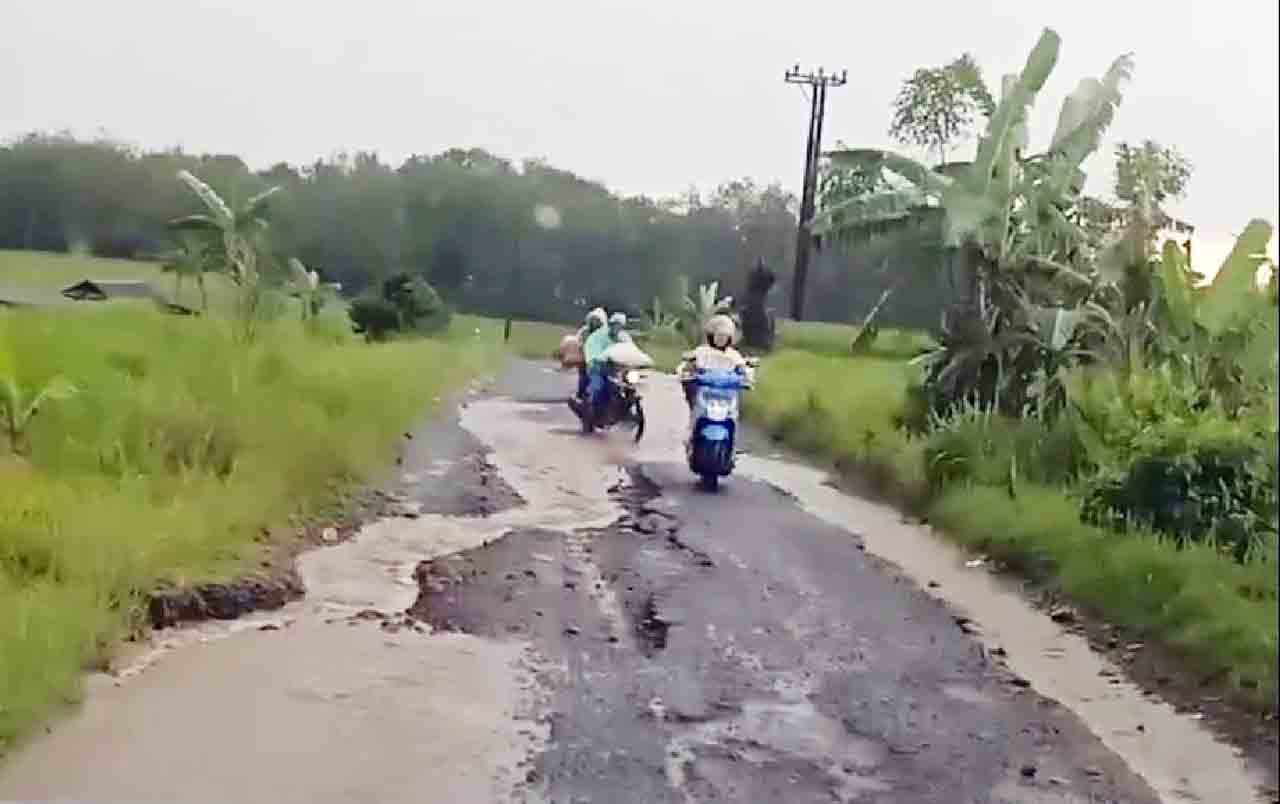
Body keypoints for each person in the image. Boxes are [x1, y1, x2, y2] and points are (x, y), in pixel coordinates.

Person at [678, 314, 751, 409]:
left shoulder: (734, 354)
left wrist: (746, 377)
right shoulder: (702, 351)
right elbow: (687, 365)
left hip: (726, 393)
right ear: (711, 336)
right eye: (718, 335)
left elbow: (743, 367)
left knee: (735, 405)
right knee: (692, 393)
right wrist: (688, 371)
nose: (721, 339)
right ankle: (694, 412)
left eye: (724, 336)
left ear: (729, 338)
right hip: (704, 390)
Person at [582, 312, 628, 412]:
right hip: (598, 367)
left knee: (627, 386)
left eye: (620, 326)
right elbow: (594, 349)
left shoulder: (623, 338)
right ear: (611, 325)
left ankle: (624, 409)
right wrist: (597, 359)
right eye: (615, 325)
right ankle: (589, 409)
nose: (617, 328)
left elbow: (629, 349)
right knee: (597, 385)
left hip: (614, 369)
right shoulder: (600, 336)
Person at [573, 308, 607, 400]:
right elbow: (579, 342)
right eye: (593, 320)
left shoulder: (605, 333)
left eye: (597, 320)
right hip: (587, 358)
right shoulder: (585, 331)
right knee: (584, 371)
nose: (595, 322)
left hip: (602, 359)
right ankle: (582, 392)